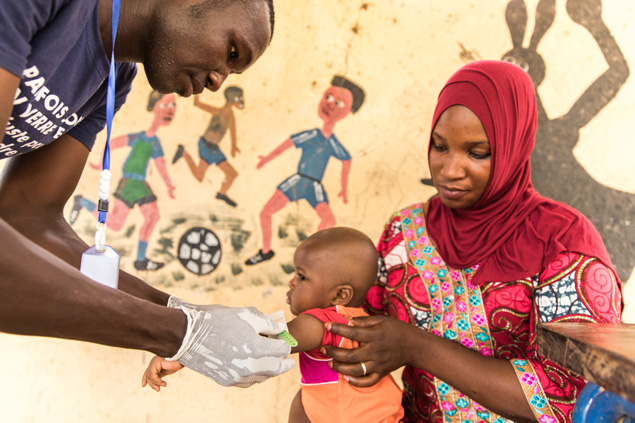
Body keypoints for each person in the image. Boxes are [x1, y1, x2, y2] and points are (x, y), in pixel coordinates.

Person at [0, 0, 295, 388]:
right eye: (232, 51)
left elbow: (28, 219)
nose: (218, 82)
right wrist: (178, 332)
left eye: (232, 71)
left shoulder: (113, 78)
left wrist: (183, 312)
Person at [322, 60, 623, 423]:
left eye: (477, 153)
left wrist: (416, 347)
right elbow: (362, 324)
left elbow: (574, 395)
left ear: (514, 145)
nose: (449, 170)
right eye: (439, 146)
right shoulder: (406, 229)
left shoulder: (562, 241)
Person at [142, 227, 404, 423]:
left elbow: (274, 338)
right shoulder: (358, 317)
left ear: (339, 295)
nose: (291, 282)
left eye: (302, 276)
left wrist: (191, 349)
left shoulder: (323, 323)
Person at [244, 75, 365, 266]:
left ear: (347, 111)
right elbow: (288, 144)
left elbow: (347, 159)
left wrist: (344, 187)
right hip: (298, 181)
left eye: (339, 103)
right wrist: (267, 158)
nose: (331, 105)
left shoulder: (333, 143)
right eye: (329, 97)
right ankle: (266, 251)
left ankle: (310, 258)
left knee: (329, 220)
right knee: (265, 212)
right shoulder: (311, 135)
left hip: (314, 186)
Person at [70, 91, 177, 271]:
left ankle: (141, 260)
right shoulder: (139, 137)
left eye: (173, 106)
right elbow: (113, 143)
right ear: (155, 106)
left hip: (141, 185)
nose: (170, 110)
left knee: (153, 216)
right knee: (116, 224)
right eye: (166, 105)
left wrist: (168, 186)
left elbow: (161, 166)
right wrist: (99, 163)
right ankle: (82, 202)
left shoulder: (155, 142)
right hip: (129, 183)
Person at [172, 86, 245, 207]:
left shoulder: (230, 115)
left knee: (231, 174)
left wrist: (234, 146)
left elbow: (232, 131)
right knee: (219, 175)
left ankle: (221, 193)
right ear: (233, 99)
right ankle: (184, 153)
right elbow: (199, 104)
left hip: (214, 149)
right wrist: (197, 90)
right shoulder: (220, 112)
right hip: (207, 146)